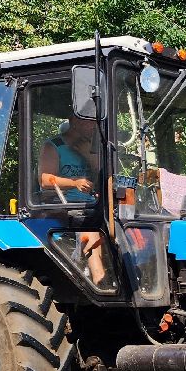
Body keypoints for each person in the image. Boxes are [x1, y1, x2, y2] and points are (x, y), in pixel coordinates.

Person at [39, 115, 109, 286]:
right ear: (75, 121)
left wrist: (87, 153)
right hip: (62, 204)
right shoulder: (54, 145)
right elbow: (45, 179)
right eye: (89, 121)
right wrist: (74, 183)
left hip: (90, 203)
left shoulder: (91, 147)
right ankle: (100, 280)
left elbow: (101, 173)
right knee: (90, 226)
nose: (94, 125)